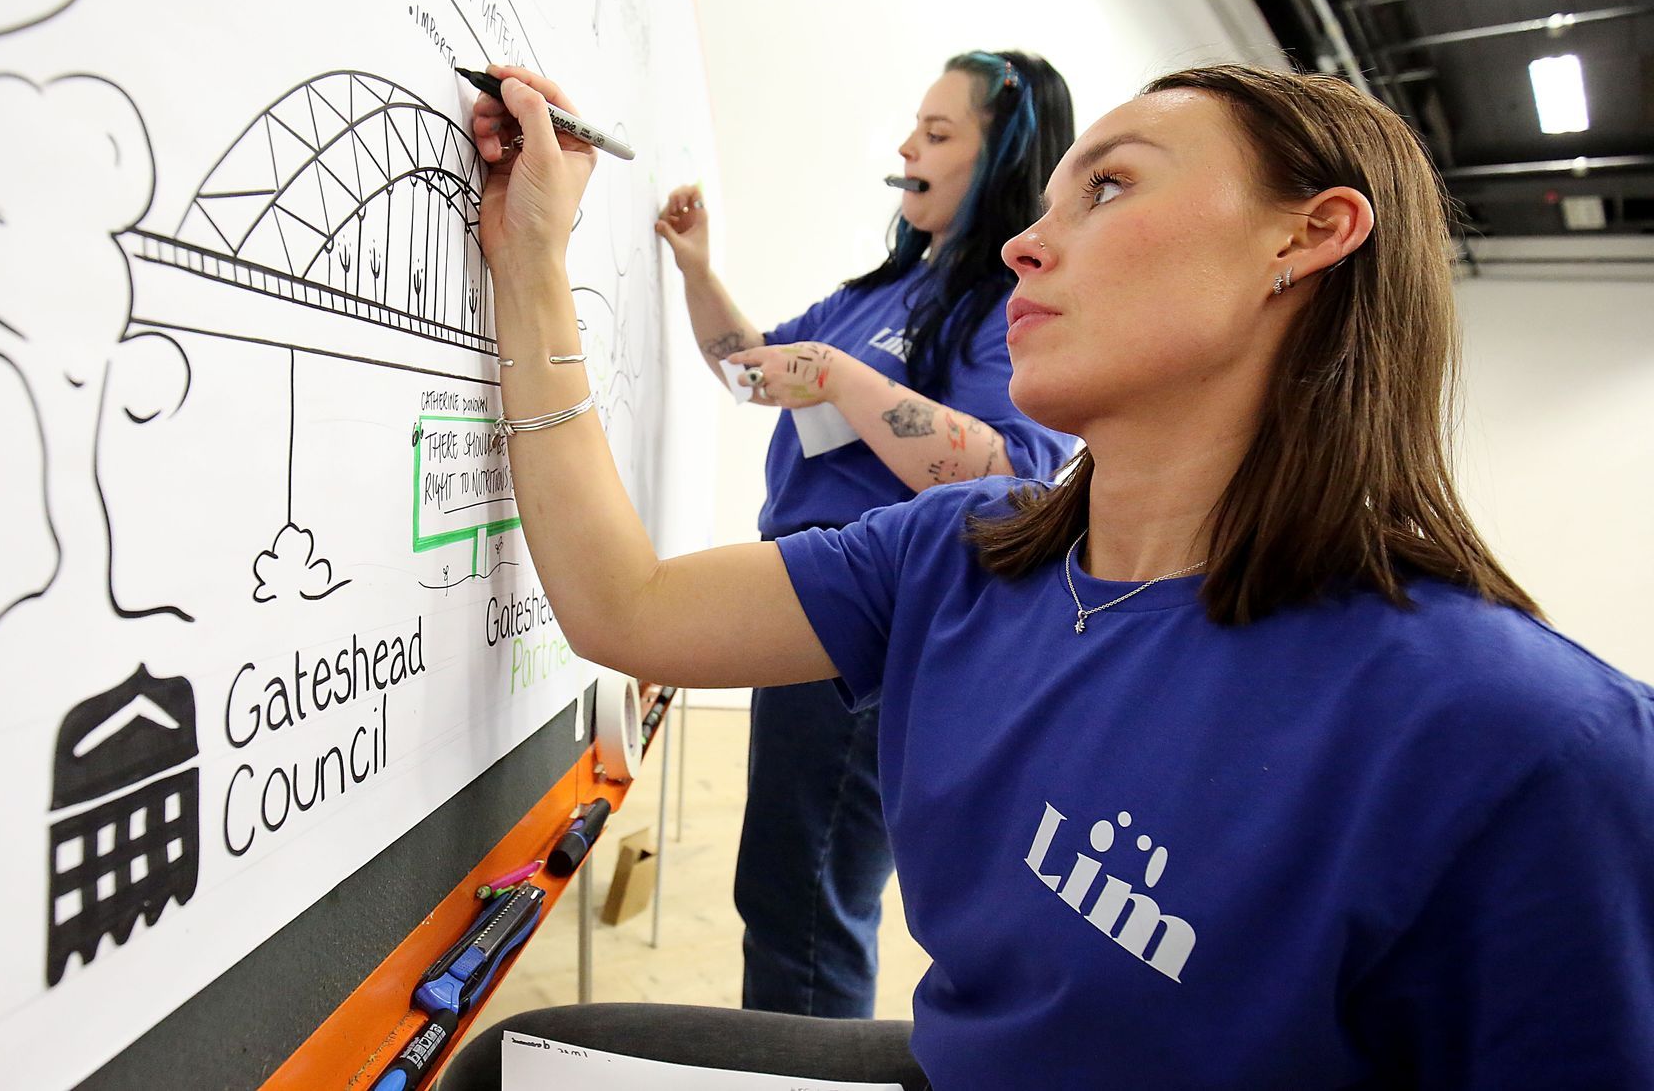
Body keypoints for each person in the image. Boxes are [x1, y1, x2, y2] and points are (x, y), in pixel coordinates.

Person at [445, 62, 1654, 1087]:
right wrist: (532, 257)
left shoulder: (1531, 743)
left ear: (1308, 233)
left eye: (1112, 185)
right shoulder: (958, 551)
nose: (1030, 240)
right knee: (526, 1061)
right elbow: (627, 604)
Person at [652, 50, 1080, 1019]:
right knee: (788, 890)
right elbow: (748, 372)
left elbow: (1011, 476)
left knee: (807, 902)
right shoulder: (875, 294)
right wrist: (697, 269)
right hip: (799, 605)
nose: (905, 148)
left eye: (937, 133)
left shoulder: (1008, 308)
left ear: (1004, 154)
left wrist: (844, 379)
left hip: (871, 630)